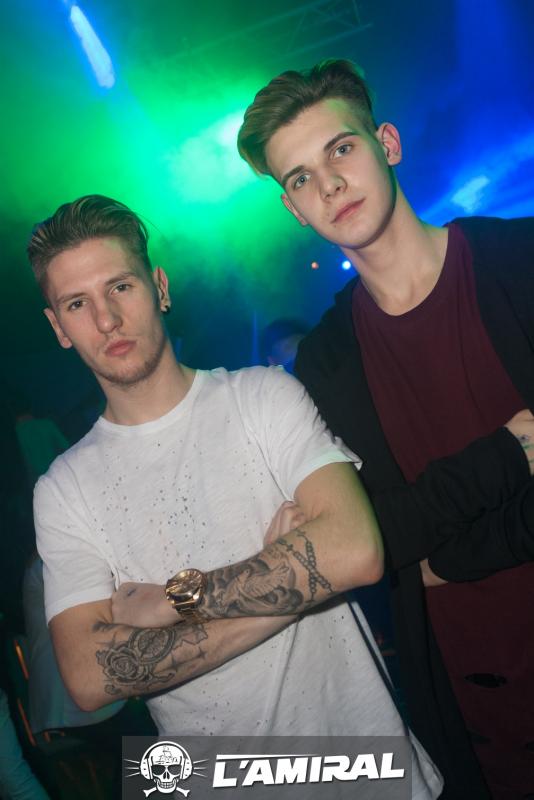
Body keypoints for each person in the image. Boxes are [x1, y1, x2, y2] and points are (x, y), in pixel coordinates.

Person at [27, 195, 443, 799]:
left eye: (120, 287)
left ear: (160, 288)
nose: (107, 319)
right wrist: (295, 588)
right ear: (57, 328)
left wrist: (175, 599)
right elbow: (89, 676)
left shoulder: (263, 397)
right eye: (77, 303)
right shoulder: (62, 489)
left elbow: (356, 551)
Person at [237, 59, 534, 799]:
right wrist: (511, 455)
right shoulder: (327, 360)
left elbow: (400, 538)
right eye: (301, 178)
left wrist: (445, 556)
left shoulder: (520, 260)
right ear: (293, 208)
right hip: (480, 714)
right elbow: (374, 540)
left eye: (341, 148)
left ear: (388, 144)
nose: (330, 184)